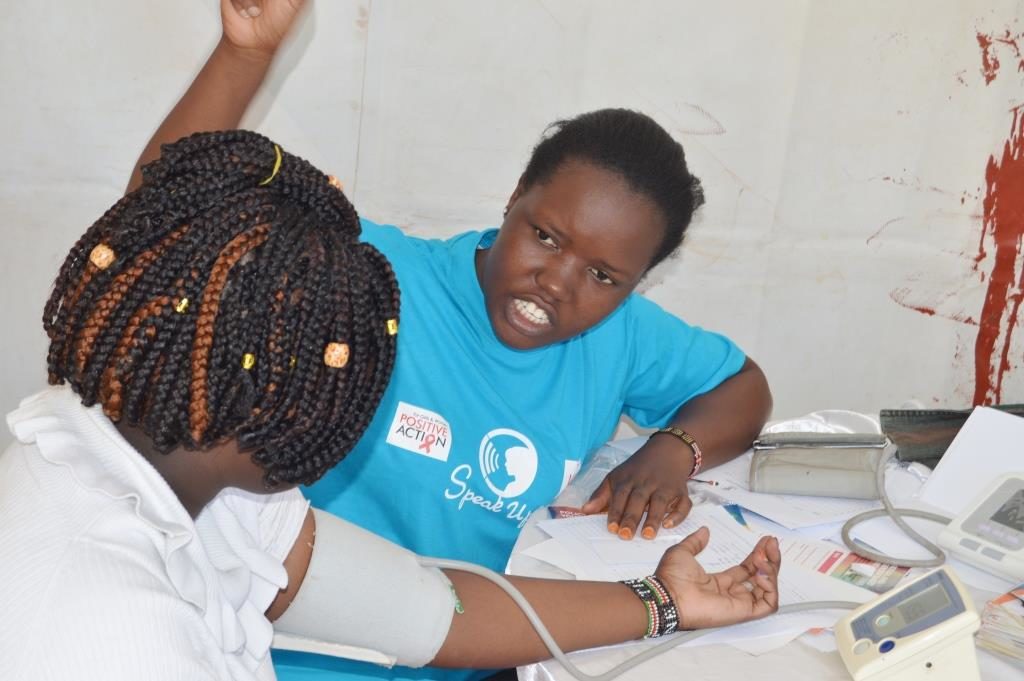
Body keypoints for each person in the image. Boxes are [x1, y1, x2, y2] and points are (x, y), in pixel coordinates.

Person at [129, 2, 775, 680]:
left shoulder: (620, 333)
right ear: (514, 196)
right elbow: (166, 217)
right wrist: (246, 54)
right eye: (546, 236)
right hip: (291, 655)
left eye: (605, 275)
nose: (556, 282)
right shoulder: (372, 272)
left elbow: (742, 387)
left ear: (639, 281)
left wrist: (677, 448)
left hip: (479, 648)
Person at [0, 128, 782, 681]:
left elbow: (427, 610)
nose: (359, 398)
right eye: (347, 367)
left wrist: (662, 602)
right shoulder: (111, 632)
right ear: (279, 388)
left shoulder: (198, 476)